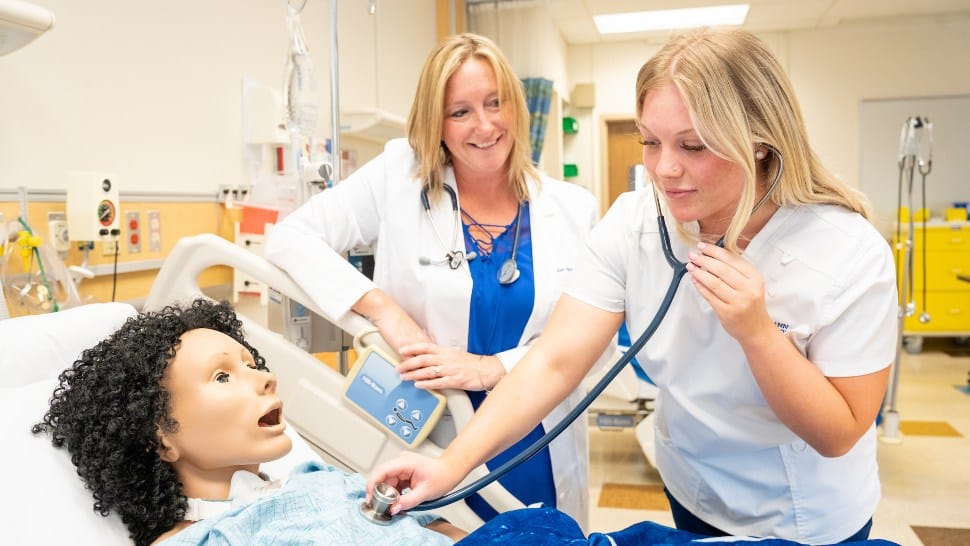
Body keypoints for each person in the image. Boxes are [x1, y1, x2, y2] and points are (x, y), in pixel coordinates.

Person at [367, 28, 898, 545]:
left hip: (801, 513)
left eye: (693, 146)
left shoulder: (845, 250)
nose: (665, 170)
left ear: (760, 142)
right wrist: (450, 466)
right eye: (650, 142)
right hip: (693, 491)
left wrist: (758, 334)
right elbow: (555, 360)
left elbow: (840, 431)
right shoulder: (638, 221)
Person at [265, 33, 605, 527]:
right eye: (460, 111)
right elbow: (290, 238)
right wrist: (382, 308)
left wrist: (493, 369)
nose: (484, 125)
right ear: (435, 124)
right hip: (427, 429)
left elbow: (595, 346)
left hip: (537, 437)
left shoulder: (572, 208)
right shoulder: (398, 178)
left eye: (495, 103)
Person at [32, 299, 465, 546]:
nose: (265, 376)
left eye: (250, 363)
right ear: (161, 438)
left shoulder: (323, 479)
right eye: (222, 376)